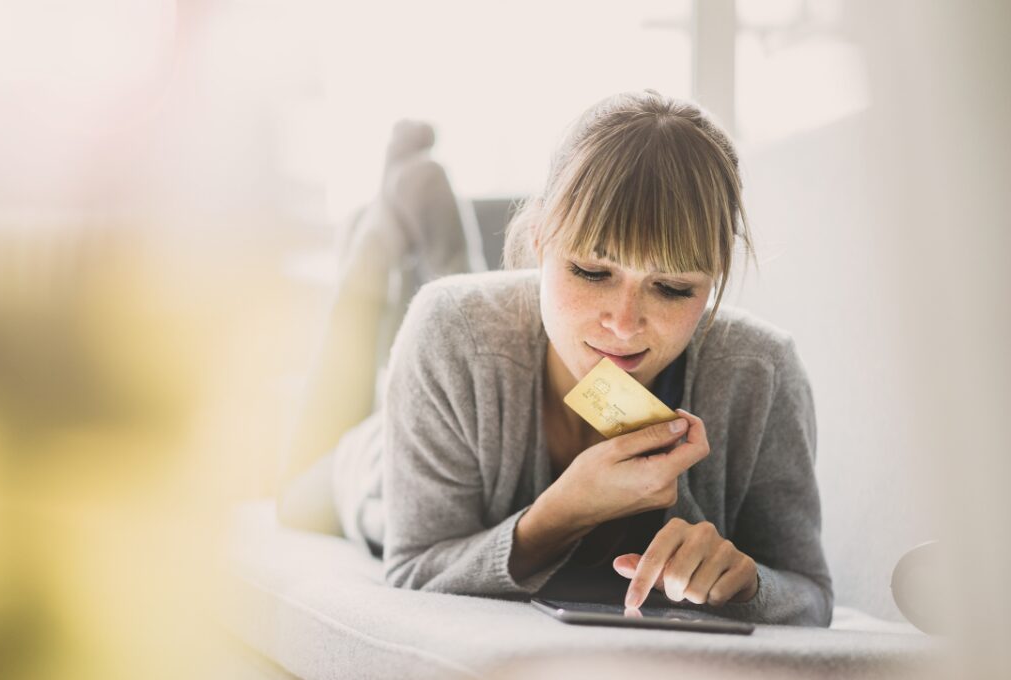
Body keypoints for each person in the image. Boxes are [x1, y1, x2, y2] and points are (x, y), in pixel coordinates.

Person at [283, 90, 833, 627]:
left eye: (671, 288)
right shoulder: (451, 329)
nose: (624, 324)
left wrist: (750, 585)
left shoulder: (761, 371)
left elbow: (810, 594)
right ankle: (376, 242)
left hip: (489, 333)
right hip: (376, 463)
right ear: (541, 239)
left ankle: (430, 220)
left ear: (714, 274)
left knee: (473, 309)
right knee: (295, 491)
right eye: (592, 273)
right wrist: (562, 513)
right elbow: (413, 568)